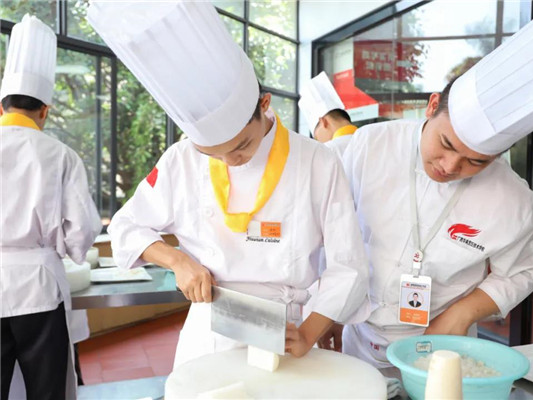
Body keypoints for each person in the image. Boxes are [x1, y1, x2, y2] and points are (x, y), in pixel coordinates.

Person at [88, 0, 369, 368]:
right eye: (212, 154)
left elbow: (348, 266)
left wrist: (309, 332)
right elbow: (126, 226)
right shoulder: (181, 158)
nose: (229, 161)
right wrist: (177, 261)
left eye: (240, 147)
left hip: (285, 331)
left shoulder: (318, 161)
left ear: (265, 104)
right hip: (207, 330)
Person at [333, 0, 533, 387]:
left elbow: (524, 270)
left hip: (442, 348)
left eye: (476, 161)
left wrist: (462, 313)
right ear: (432, 105)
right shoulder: (368, 146)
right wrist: (321, 309)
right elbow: (322, 220)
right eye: (446, 144)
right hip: (357, 338)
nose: (450, 166)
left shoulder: (513, 201)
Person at [0, 15, 102, 400]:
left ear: (0, 107)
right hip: (39, 289)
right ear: (45, 111)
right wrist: (69, 250)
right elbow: (82, 230)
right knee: (48, 392)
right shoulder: (60, 155)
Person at [299, 71, 357, 159]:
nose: (319, 142)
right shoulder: (372, 138)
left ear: (324, 122)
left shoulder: (325, 152)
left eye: (316, 137)